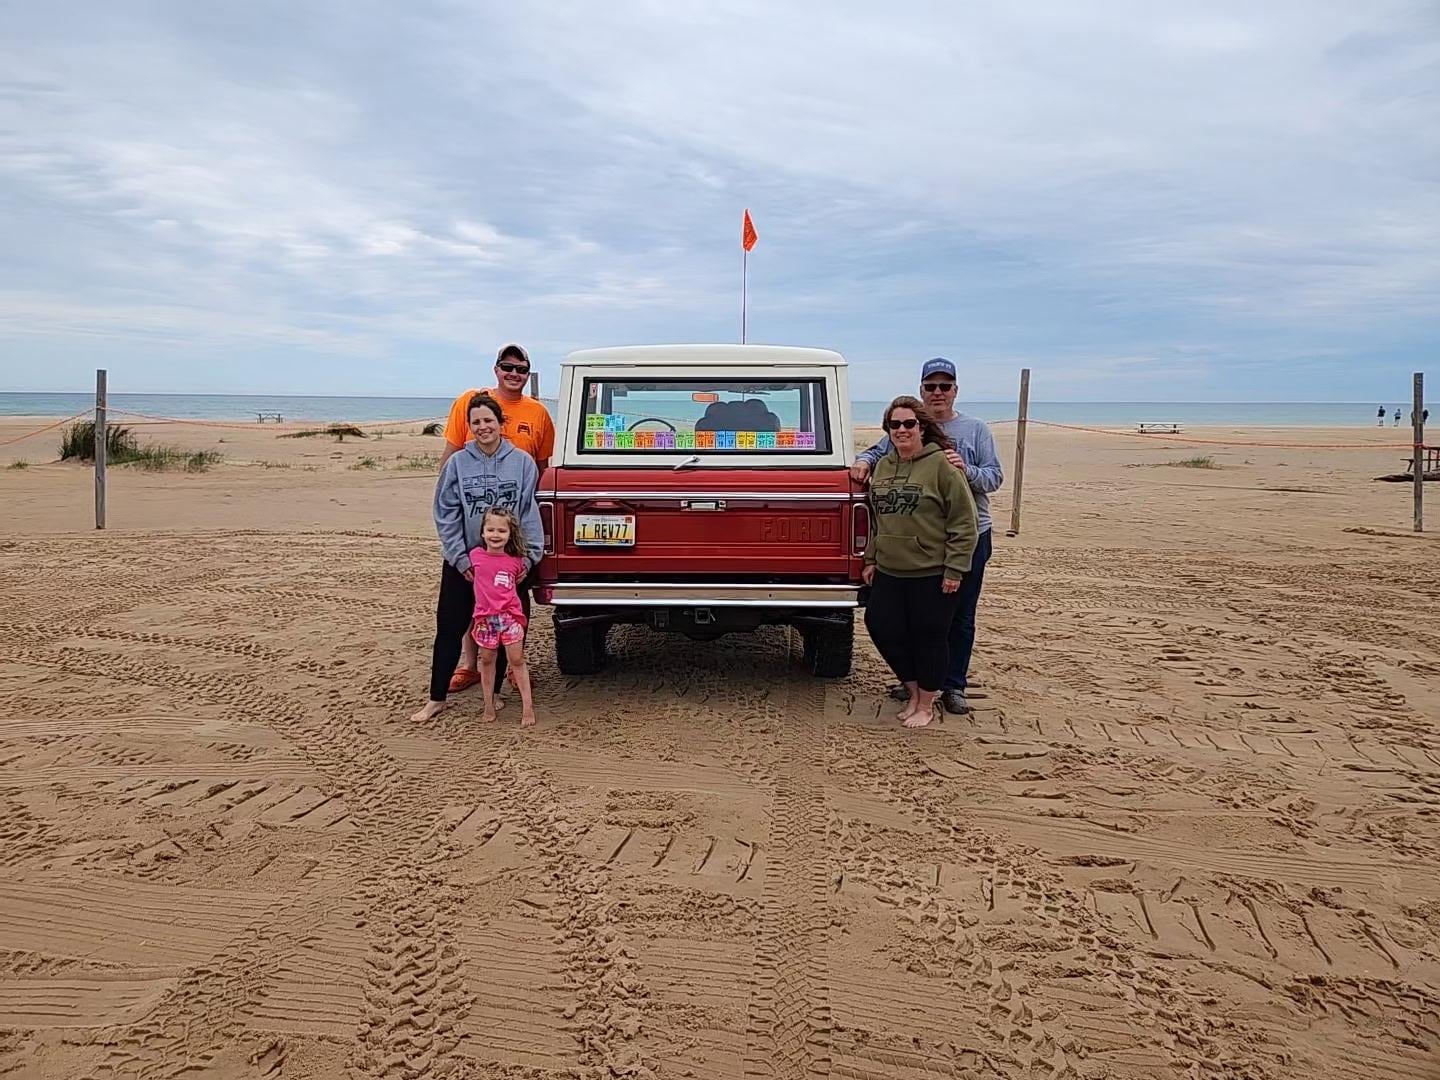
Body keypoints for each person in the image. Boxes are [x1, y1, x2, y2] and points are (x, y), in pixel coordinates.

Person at [852, 358, 1003, 715]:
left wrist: (966, 470)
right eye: (931, 386)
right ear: (922, 391)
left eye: (944, 385)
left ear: (955, 389)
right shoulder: (903, 433)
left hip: (970, 532)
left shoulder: (975, 429)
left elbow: (994, 478)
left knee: (957, 618)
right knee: (914, 620)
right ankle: (921, 684)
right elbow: (878, 451)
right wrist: (863, 461)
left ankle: (952, 686)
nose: (938, 392)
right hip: (912, 540)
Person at [413, 392, 543, 724]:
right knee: (449, 627)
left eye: (488, 420)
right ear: (469, 427)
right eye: (476, 422)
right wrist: (460, 558)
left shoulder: (522, 463)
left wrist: (527, 560)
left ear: (501, 423)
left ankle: (495, 693)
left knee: (505, 630)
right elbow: (445, 512)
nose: (483, 427)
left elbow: (529, 513)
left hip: (508, 566)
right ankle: (436, 698)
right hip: (466, 565)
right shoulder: (458, 463)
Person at [441, 344, 555, 695]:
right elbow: (450, 457)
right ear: (496, 369)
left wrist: (534, 537)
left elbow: (541, 470)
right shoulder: (469, 402)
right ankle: (470, 663)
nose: (514, 374)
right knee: (472, 595)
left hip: (514, 529)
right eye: (508, 367)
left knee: (511, 599)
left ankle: (512, 665)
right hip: (473, 523)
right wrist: (447, 509)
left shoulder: (538, 413)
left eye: (521, 369)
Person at [862, 396, 979, 728]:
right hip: (889, 569)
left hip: (933, 570)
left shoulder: (942, 465)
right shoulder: (883, 466)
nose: (902, 430)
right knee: (881, 626)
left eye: (909, 423)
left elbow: (963, 522)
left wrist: (955, 568)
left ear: (922, 427)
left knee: (930, 635)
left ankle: (926, 703)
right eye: (895, 425)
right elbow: (877, 520)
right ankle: (913, 691)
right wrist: (871, 558)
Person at [466, 506, 536, 727]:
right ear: (483, 532)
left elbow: (516, 580)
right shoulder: (474, 556)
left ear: (510, 534)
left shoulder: (516, 561)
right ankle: (488, 705)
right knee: (486, 660)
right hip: (485, 619)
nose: (495, 535)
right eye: (491, 530)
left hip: (510, 617)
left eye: (501, 531)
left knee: (517, 659)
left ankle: (528, 709)